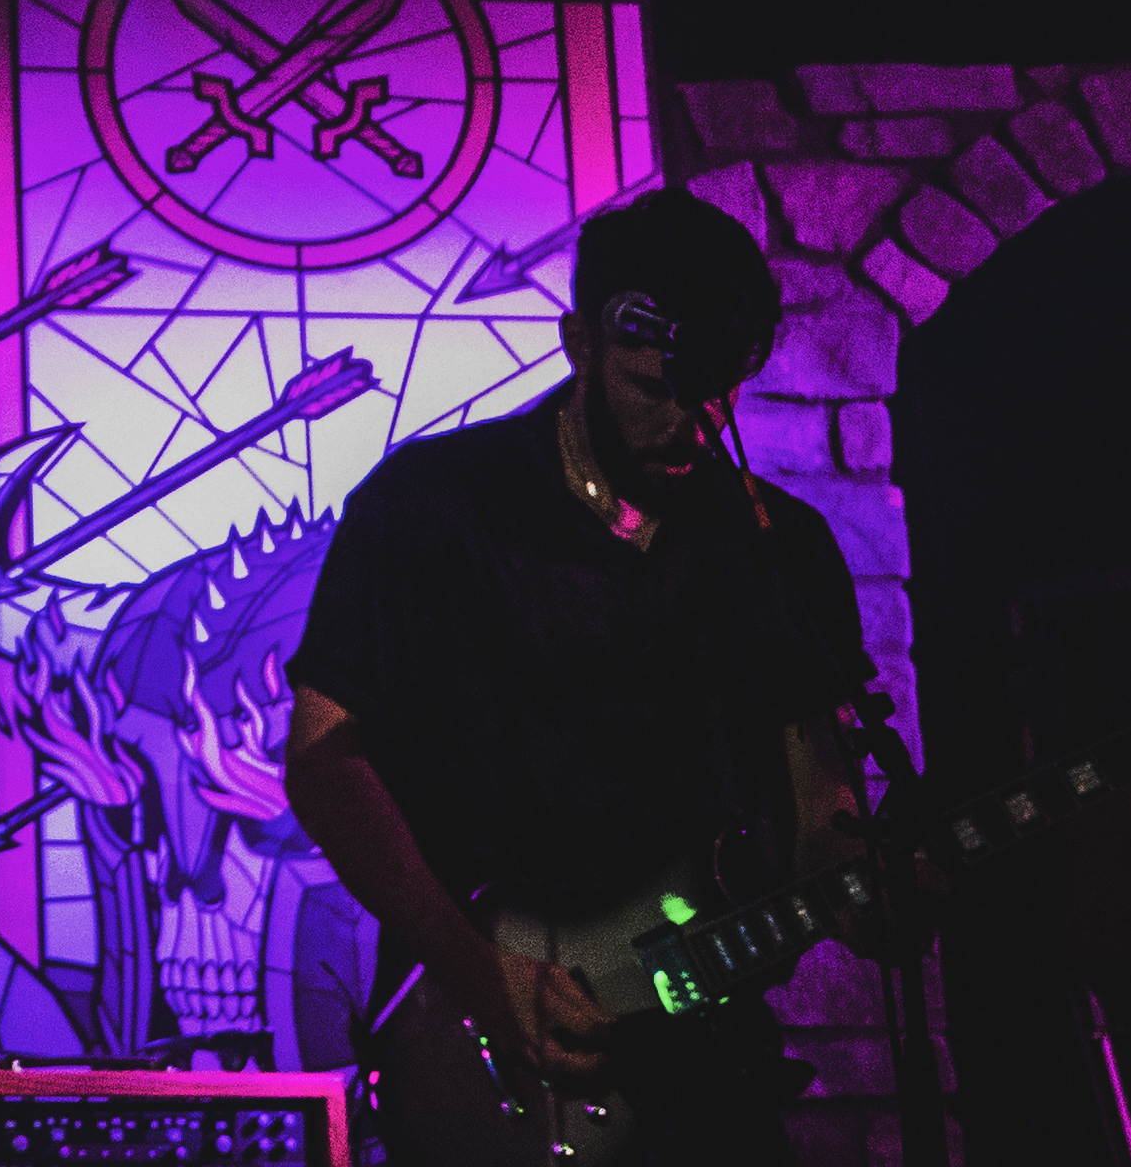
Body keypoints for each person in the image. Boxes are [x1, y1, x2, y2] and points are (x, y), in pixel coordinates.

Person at [283, 190, 902, 1165]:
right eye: (656, 387)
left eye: (720, 390)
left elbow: (821, 803)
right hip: (480, 1034)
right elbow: (325, 760)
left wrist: (875, 886)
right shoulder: (432, 507)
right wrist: (477, 968)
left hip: (709, 1064)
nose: (693, 421)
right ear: (579, 344)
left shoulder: (777, 548)